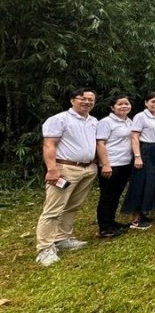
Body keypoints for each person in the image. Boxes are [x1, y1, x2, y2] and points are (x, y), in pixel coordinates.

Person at [35, 88, 99, 266]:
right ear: (72, 100)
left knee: (72, 206)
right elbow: (49, 145)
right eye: (82, 99)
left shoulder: (93, 121)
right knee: (53, 209)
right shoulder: (59, 119)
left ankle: (62, 238)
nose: (87, 102)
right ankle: (45, 249)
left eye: (91, 100)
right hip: (65, 168)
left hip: (87, 169)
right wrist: (52, 169)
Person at [123, 92, 155, 230]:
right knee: (140, 183)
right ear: (146, 102)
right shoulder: (140, 116)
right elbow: (134, 137)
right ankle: (135, 219)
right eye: (153, 101)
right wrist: (137, 156)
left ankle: (143, 213)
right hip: (144, 150)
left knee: (151, 184)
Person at [95, 95, 134, 238]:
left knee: (116, 195)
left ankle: (112, 222)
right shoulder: (106, 122)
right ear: (112, 107)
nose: (124, 106)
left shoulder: (129, 121)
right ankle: (104, 227)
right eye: (120, 104)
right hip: (111, 164)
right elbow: (100, 143)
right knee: (107, 195)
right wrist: (105, 164)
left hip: (125, 163)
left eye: (127, 104)